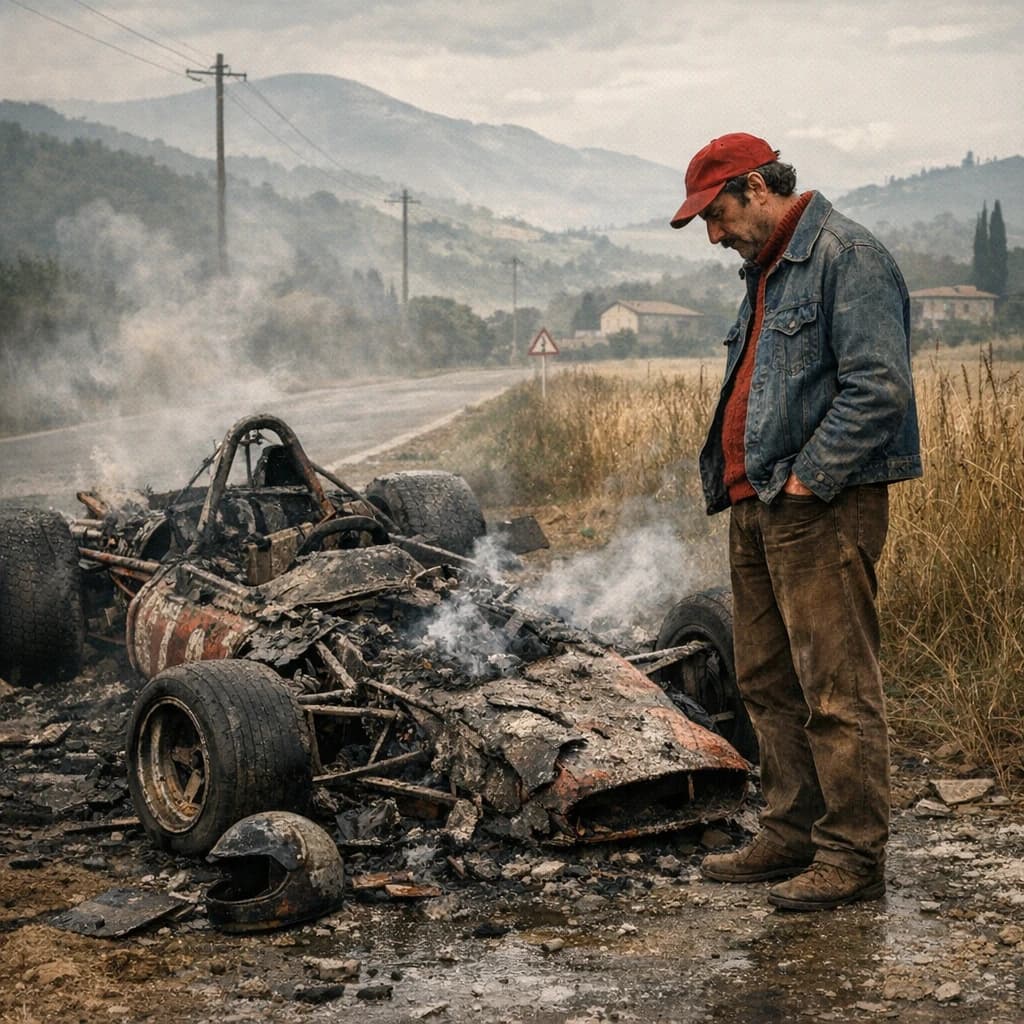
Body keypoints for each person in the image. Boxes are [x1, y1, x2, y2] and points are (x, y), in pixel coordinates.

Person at [670, 133, 922, 911]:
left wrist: (811, 477)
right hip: (758, 505)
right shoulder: (766, 272)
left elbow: (879, 388)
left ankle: (851, 857)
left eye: (716, 215)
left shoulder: (847, 255)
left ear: (756, 187)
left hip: (819, 506)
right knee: (765, 679)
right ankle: (792, 832)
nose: (713, 235)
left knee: (836, 688)